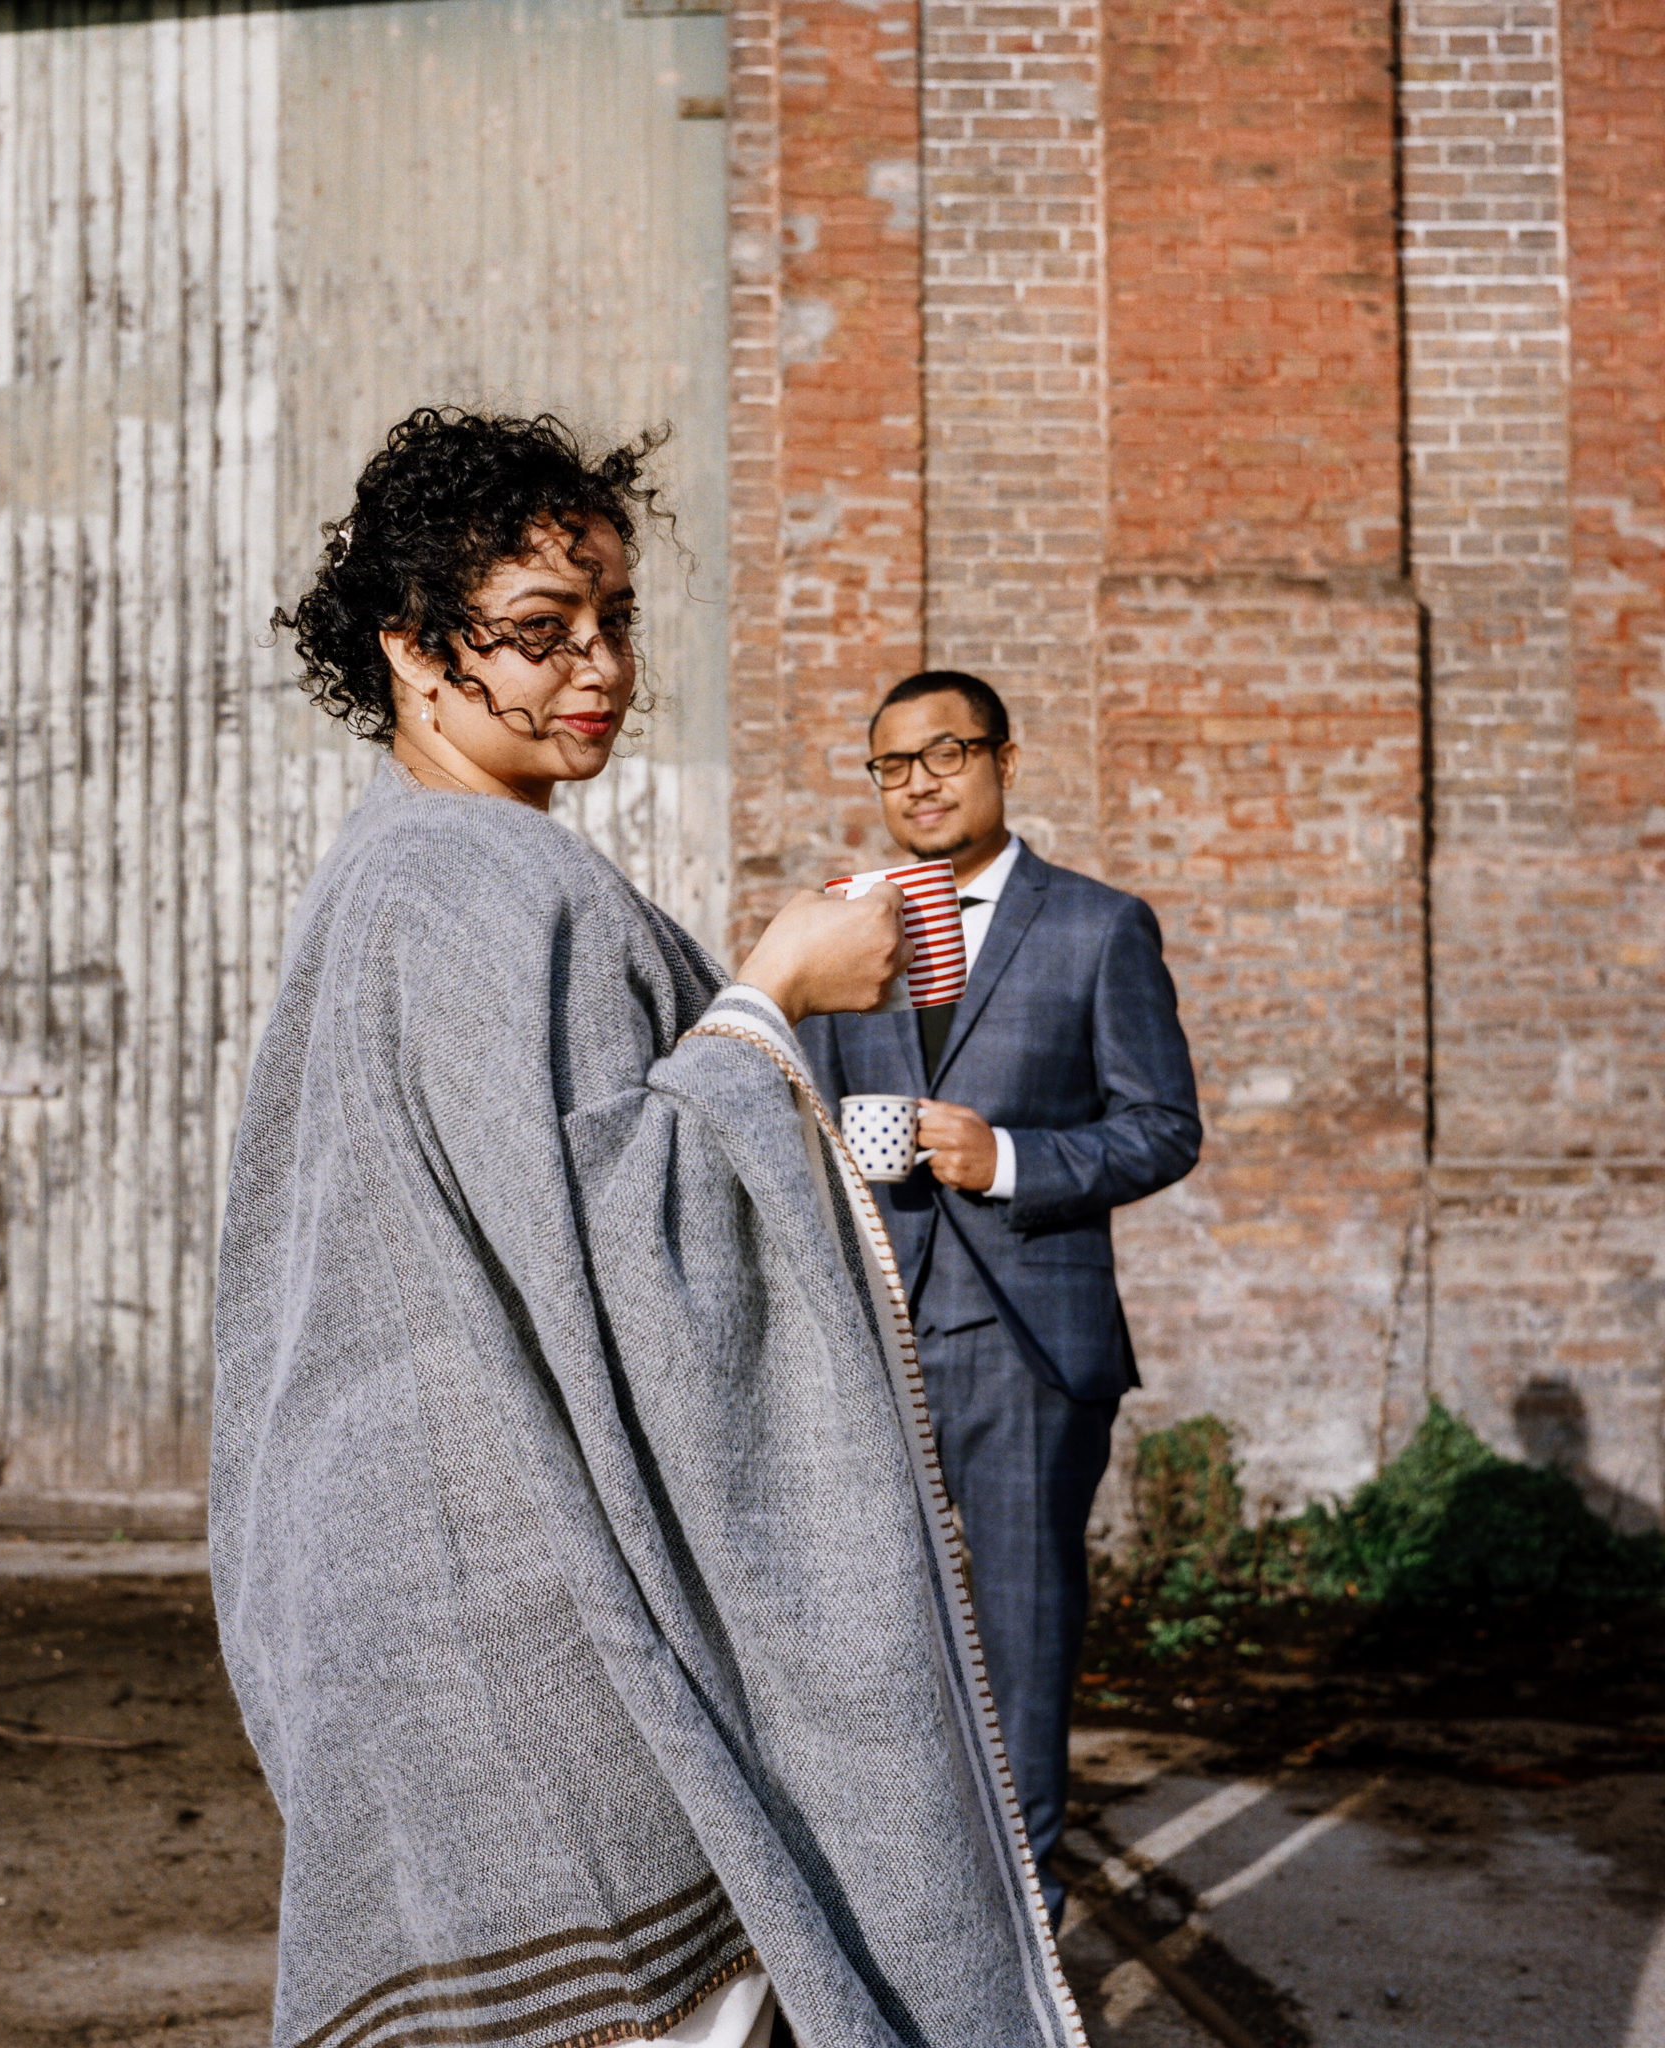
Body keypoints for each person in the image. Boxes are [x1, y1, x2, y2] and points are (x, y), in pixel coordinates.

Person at [210, 416, 1084, 2048]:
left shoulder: (401, 873)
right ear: (409, 648)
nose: (594, 667)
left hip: (409, 1569)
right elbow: (631, 1250)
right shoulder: (483, 885)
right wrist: (770, 995)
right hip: (517, 1602)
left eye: (609, 620)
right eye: (538, 631)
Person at [799, 671, 1201, 1925]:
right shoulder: (836, 926)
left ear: (1002, 760)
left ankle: (1017, 1923)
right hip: (865, 1329)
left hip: (1025, 1339)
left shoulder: (1094, 927)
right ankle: (897, 1903)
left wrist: (1010, 1156)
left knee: (1022, 1638)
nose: (915, 781)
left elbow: (1162, 1127)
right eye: (889, 765)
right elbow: (791, 1113)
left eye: (943, 753)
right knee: (863, 1631)